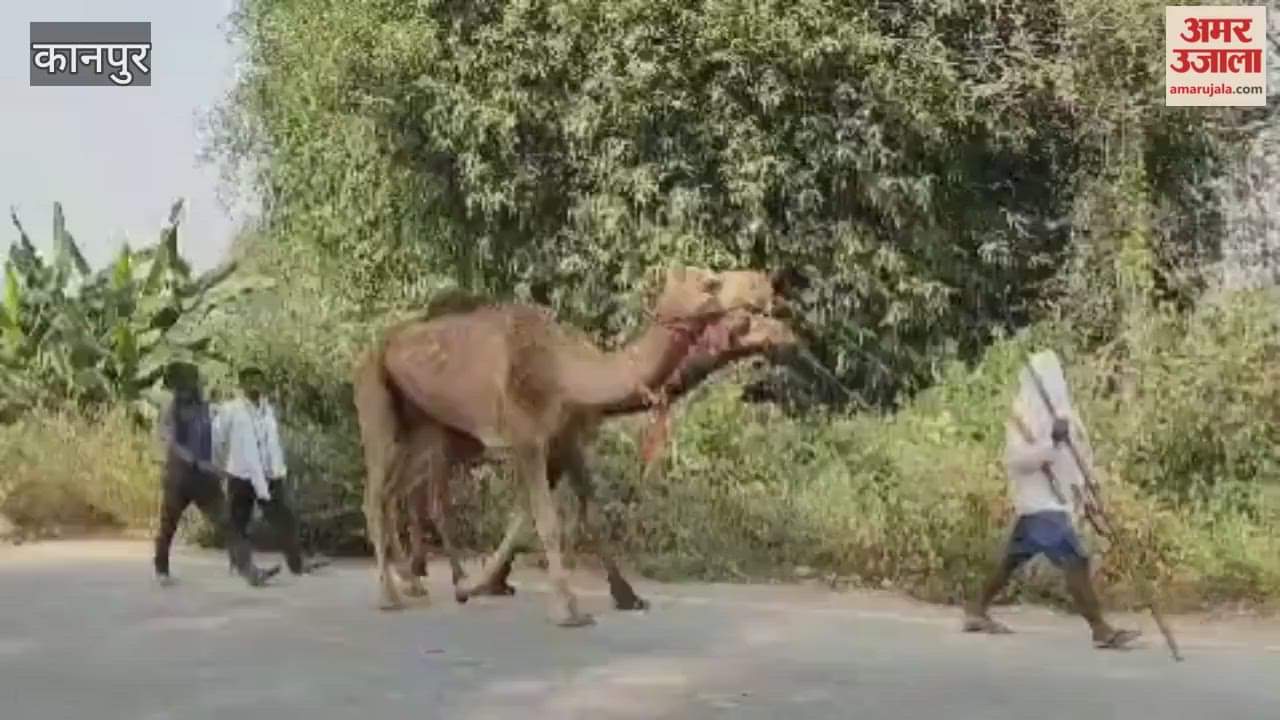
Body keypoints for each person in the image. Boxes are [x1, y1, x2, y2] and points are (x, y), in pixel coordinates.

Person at [963, 370, 1140, 650]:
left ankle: (976, 610)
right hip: (1038, 504)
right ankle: (1100, 629)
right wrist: (1051, 444)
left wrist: (1086, 489)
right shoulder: (1022, 419)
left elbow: (1076, 457)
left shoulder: (1065, 417)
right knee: (1076, 559)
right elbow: (1017, 460)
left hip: (1055, 502)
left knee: (1010, 561)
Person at [153, 362, 279, 587]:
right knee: (168, 526)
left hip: (205, 480)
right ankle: (162, 569)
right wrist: (194, 460)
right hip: (178, 479)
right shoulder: (171, 409)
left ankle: (248, 570)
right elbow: (170, 440)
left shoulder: (206, 408)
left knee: (228, 523)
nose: (194, 387)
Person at [213, 366, 327, 576]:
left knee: (285, 520)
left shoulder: (268, 410)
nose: (255, 385)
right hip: (242, 475)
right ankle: (243, 567)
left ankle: (297, 564)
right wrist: (219, 467)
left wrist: (279, 468)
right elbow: (216, 439)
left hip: (270, 476)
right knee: (239, 523)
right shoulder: (231, 410)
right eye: (250, 381)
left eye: (258, 380)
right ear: (242, 384)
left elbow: (272, 443)